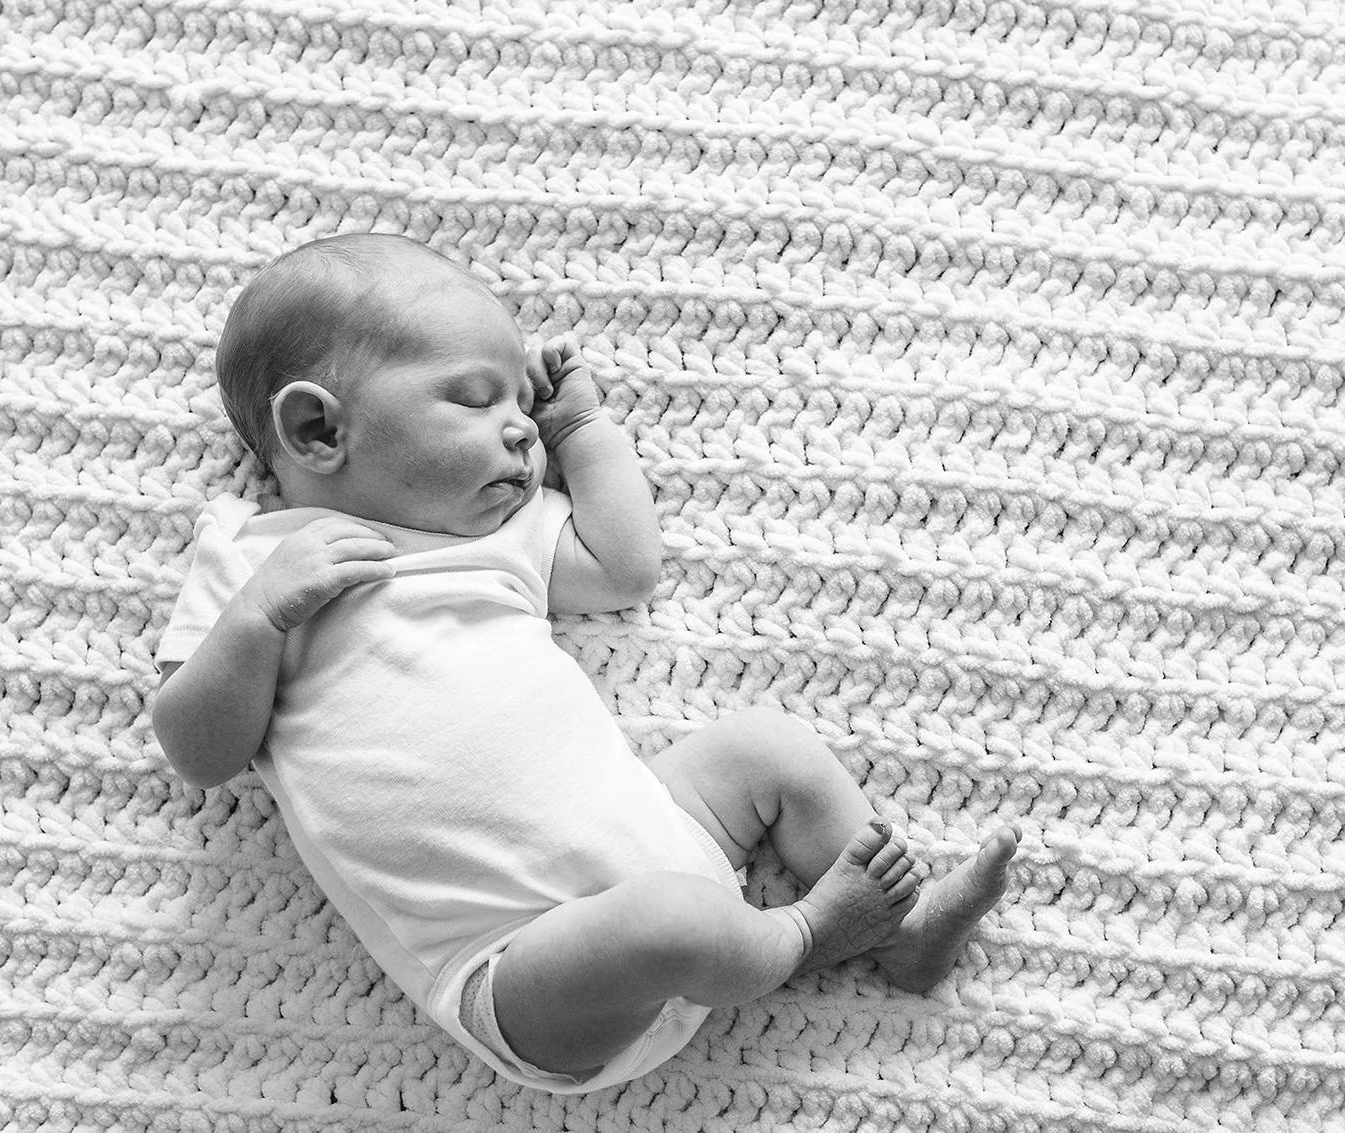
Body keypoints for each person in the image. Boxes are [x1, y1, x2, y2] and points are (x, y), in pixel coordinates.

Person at [152, 232, 1022, 1094]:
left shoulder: (500, 533)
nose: (519, 431)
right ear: (316, 429)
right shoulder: (250, 561)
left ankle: (904, 938)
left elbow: (624, 564)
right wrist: (261, 618)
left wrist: (583, 428)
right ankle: (801, 935)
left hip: (662, 831)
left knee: (766, 746)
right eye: (473, 400)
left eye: (523, 410)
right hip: (522, 970)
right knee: (665, 920)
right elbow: (201, 749)